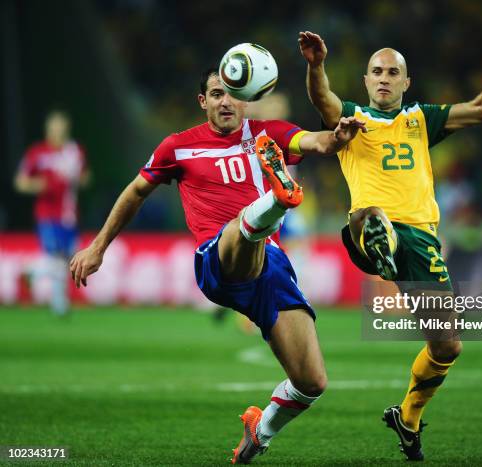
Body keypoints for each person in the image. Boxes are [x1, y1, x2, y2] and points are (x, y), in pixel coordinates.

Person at [69, 68, 365, 464]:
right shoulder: (178, 147)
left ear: (245, 98)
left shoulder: (267, 132)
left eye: (232, 94)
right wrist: (98, 247)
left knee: (311, 382)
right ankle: (277, 201)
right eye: (215, 94)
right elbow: (136, 191)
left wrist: (339, 136)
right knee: (239, 230)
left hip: (270, 268)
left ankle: (259, 432)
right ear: (202, 101)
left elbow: (318, 141)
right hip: (216, 258)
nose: (225, 101)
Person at [299, 31, 482, 460]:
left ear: (406, 82)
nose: (384, 78)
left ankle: (409, 416)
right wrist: (315, 64)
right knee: (372, 218)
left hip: (422, 240)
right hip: (368, 226)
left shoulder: (422, 119)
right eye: (377, 72)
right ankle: (383, 241)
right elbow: (322, 99)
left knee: (447, 345)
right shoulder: (350, 118)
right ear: (365, 80)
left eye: (392, 73)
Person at [14, 110, 89, 315]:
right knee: (55, 259)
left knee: (66, 260)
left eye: (62, 126)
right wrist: (38, 185)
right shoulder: (38, 153)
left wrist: (77, 179)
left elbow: (85, 177)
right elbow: (21, 182)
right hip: (47, 214)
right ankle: (29, 270)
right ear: (48, 128)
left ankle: (59, 304)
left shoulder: (74, 151)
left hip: (69, 215)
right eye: (55, 126)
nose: (58, 130)